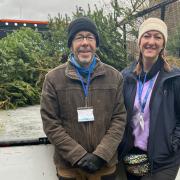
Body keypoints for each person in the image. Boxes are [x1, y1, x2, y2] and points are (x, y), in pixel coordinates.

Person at [40, 16, 127, 180]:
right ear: (71, 44)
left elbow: (119, 119)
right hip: (69, 168)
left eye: (90, 37)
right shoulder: (53, 79)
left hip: (105, 167)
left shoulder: (114, 77)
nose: (85, 43)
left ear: (96, 44)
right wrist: (78, 155)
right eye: (79, 37)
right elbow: (51, 123)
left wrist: (101, 155)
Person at [119, 17, 180, 180]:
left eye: (157, 37)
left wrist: (172, 144)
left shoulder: (174, 78)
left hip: (163, 160)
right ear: (139, 41)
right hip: (132, 156)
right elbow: (117, 114)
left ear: (163, 44)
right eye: (147, 36)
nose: (151, 42)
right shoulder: (126, 77)